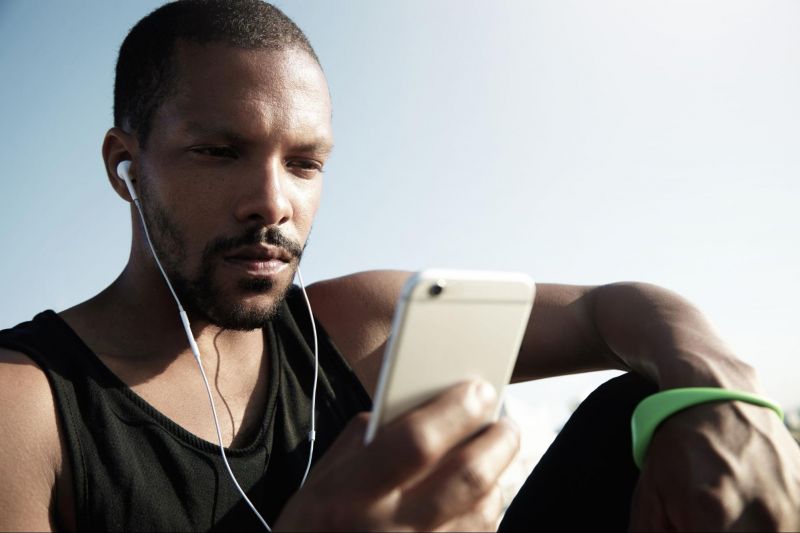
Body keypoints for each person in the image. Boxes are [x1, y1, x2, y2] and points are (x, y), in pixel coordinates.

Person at [0, 1, 798, 531]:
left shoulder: (354, 325)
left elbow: (612, 308)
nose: (271, 202)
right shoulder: (24, 407)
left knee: (662, 409)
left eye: (305, 163)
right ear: (124, 165)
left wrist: (725, 395)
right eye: (219, 151)